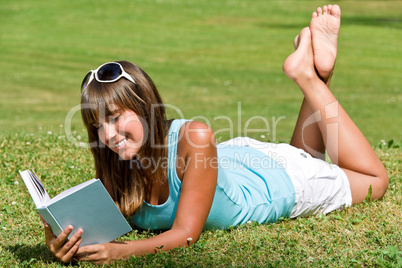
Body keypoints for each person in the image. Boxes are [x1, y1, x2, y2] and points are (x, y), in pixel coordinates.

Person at [42, 5, 388, 264]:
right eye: (97, 125)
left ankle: (309, 78)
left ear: (145, 106)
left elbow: (186, 234)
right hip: (239, 165)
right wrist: (60, 240)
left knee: (373, 179)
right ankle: (316, 71)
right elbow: (95, 226)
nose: (108, 134)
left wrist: (123, 252)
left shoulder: (194, 137)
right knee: (304, 156)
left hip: (282, 185)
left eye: (116, 118)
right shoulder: (121, 169)